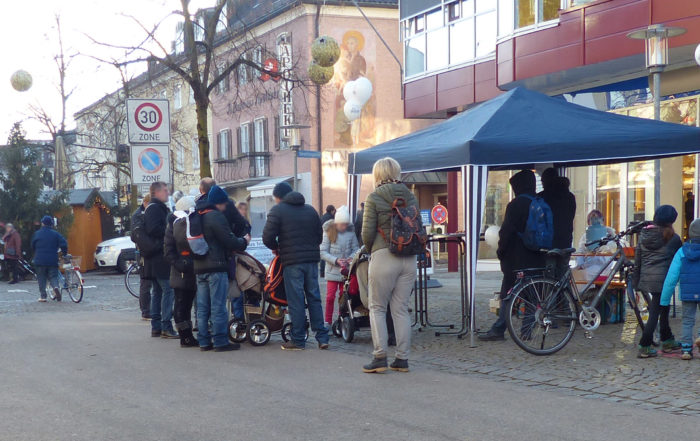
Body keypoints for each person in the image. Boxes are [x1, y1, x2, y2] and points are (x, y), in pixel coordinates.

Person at [361, 157, 418, 374]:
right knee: (401, 308)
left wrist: (371, 248)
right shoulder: (410, 196)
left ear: (378, 174)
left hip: (384, 253)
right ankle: (402, 359)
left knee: (377, 307)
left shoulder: (374, 197)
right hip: (409, 256)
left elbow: (367, 232)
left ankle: (380, 356)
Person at [479, 170, 545, 342]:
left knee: (507, 294)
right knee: (532, 294)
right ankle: (526, 330)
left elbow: (506, 233)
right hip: (537, 256)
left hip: (516, 259)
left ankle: (499, 328)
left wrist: (501, 252)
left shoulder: (515, 205)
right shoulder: (540, 202)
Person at [262, 181, 329, 351]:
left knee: (296, 299)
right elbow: (319, 237)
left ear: (278, 197)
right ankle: (322, 337)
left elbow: (267, 237)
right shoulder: (310, 210)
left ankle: (298, 340)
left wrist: (277, 248)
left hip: (292, 262)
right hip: (312, 261)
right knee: (314, 297)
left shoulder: (277, 210)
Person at [194, 185, 250, 352]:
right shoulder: (215, 217)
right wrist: (244, 241)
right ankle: (220, 341)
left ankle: (204, 341)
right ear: (218, 203)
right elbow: (229, 240)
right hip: (216, 266)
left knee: (203, 307)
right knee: (218, 305)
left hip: (199, 266)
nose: (226, 206)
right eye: (224, 203)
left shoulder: (198, 214)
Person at [634, 205, 682, 358]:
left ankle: (667, 339)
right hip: (664, 280)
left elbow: (638, 260)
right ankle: (645, 344)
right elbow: (679, 259)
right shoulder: (673, 238)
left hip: (648, 278)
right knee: (655, 311)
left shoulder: (644, 235)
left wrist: (636, 281)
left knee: (663, 308)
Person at [659, 218, 700, 360]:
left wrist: (664, 299)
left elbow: (671, 277)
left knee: (687, 321)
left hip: (687, 293)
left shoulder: (682, 252)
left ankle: (687, 350)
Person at [143, 182, 178, 339]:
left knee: (157, 291)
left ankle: (156, 327)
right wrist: (170, 229)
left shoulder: (153, 207)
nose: (168, 193)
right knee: (167, 290)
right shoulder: (155, 208)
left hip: (154, 257)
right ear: (157, 192)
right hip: (160, 256)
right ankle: (165, 326)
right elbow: (153, 229)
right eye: (165, 190)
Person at [164, 196, 198, 348]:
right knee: (182, 305)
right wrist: (180, 264)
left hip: (184, 269)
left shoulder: (175, 224)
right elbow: (169, 251)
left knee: (185, 304)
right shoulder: (175, 225)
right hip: (181, 271)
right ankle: (185, 336)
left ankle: (187, 335)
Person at [320, 205, 359, 328]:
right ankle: (327, 321)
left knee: (344, 298)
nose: (344, 227)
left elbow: (356, 249)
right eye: (342, 224)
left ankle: (341, 320)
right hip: (332, 270)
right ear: (337, 223)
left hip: (345, 271)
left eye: (346, 224)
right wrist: (336, 260)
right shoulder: (328, 232)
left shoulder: (351, 233)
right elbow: (322, 252)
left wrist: (351, 258)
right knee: (330, 297)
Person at [31, 216, 68, 302]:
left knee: (41, 278)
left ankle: (43, 297)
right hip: (52, 260)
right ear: (51, 224)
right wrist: (64, 253)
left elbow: (32, 246)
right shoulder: (56, 234)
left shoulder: (37, 234)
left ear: (43, 223)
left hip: (40, 260)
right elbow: (64, 244)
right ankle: (56, 287)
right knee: (53, 277)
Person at [538, 168, 576, 250]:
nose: (542, 184)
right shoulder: (570, 197)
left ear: (547, 181)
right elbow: (571, 216)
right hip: (566, 240)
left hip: (548, 242)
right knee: (563, 262)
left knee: (549, 262)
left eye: (543, 181)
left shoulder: (542, 197)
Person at [131, 194, 152, 320]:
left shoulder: (139, 214)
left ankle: (147, 310)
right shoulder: (139, 215)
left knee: (147, 282)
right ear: (145, 202)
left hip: (143, 251)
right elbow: (137, 235)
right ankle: (145, 311)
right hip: (143, 252)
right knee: (146, 281)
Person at [319, 205, 336, 278]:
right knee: (328, 255)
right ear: (332, 210)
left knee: (323, 255)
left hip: (322, 237)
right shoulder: (331, 218)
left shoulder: (322, 217)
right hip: (329, 237)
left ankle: (322, 272)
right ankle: (327, 272)